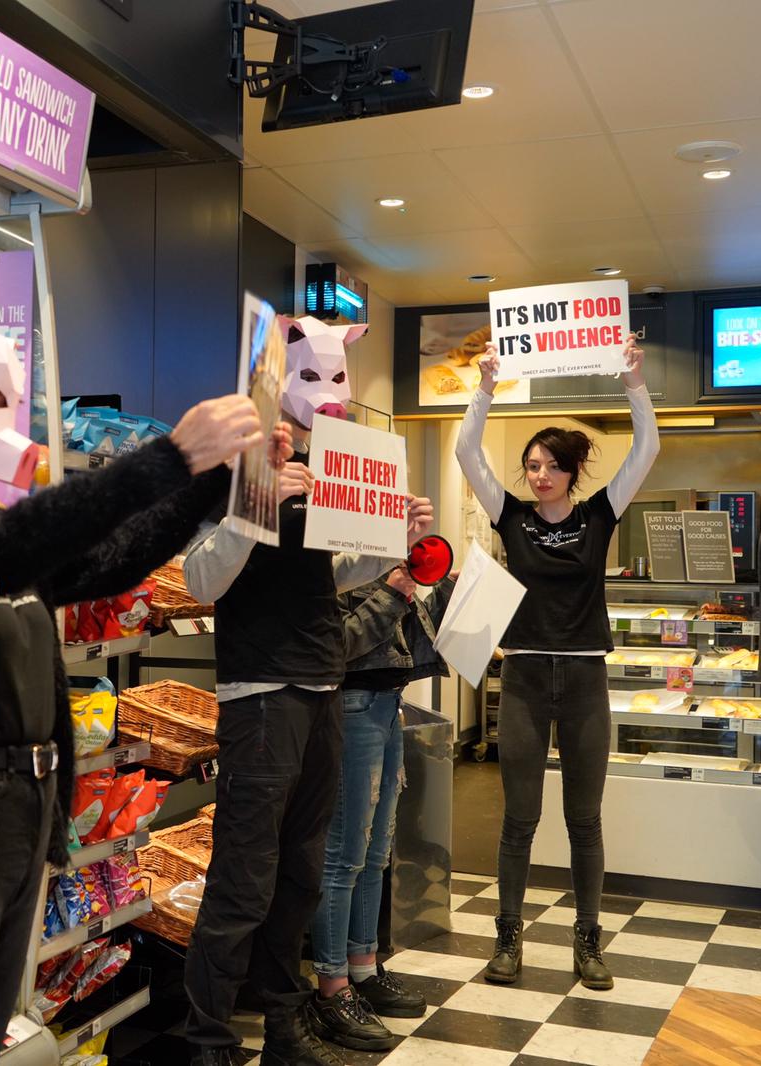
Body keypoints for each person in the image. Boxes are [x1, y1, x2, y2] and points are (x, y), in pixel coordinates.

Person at [0, 317, 289, 1066]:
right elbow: (10, 550)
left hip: (20, 827)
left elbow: (109, 560)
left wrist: (216, 475)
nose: (1, 423)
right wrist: (170, 458)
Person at [180, 313, 434, 1066]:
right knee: (245, 876)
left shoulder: (332, 470)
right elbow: (200, 579)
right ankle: (209, 1041)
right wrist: (256, 505)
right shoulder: (230, 465)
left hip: (324, 682)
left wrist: (399, 538)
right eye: (309, 375)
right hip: (260, 692)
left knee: (299, 873)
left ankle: (284, 1026)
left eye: (335, 378)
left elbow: (337, 574)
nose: (326, 394)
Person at [456, 337, 656, 992]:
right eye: (532, 465)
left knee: (584, 818)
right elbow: (465, 452)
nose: (538, 475)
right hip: (523, 679)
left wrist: (633, 382)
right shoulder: (509, 517)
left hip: (583, 679)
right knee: (518, 817)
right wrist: (484, 387)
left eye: (550, 466)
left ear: (572, 471)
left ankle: (588, 941)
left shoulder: (601, 515)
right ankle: (508, 937)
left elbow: (647, 450)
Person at [307, 564, 451, 1052]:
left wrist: (438, 593)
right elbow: (339, 645)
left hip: (387, 704)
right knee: (344, 854)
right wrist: (391, 592)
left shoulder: (376, 556)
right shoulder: (330, 559)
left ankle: (363, 969)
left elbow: (398, 638)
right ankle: (331, 987)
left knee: (375, 852)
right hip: (352, 705)